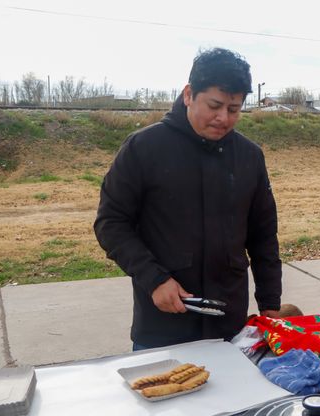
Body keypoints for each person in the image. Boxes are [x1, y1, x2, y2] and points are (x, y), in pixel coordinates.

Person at [94, 48, 282, 351]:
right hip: (163, 327)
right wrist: (154, 279)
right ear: (188, 95)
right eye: (214, 105)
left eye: (234, 109)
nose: (223, 118)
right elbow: (111, 223)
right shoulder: (144, 148)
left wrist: (270, 303)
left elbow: (263, 236)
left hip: (230, 327)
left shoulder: (249, 156)